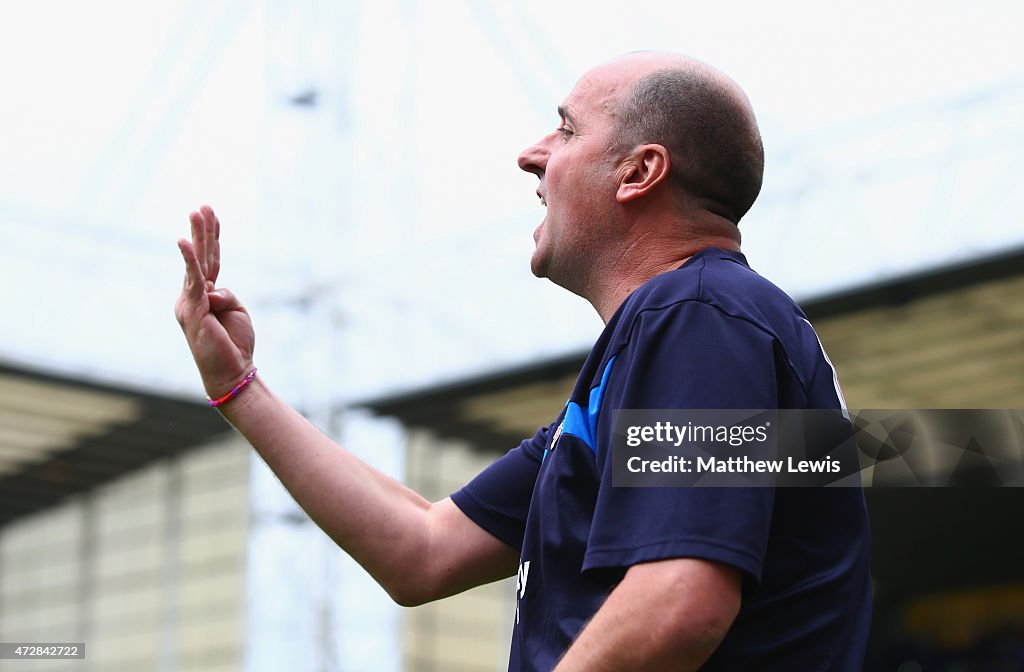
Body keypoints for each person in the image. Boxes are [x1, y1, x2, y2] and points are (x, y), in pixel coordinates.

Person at [175, 51, 872, 671]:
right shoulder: (665, 346)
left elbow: (678, 605)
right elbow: (423, 550)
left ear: (639, 172)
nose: (532, 155)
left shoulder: (698, 314)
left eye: (566, 130)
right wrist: (239, 388)